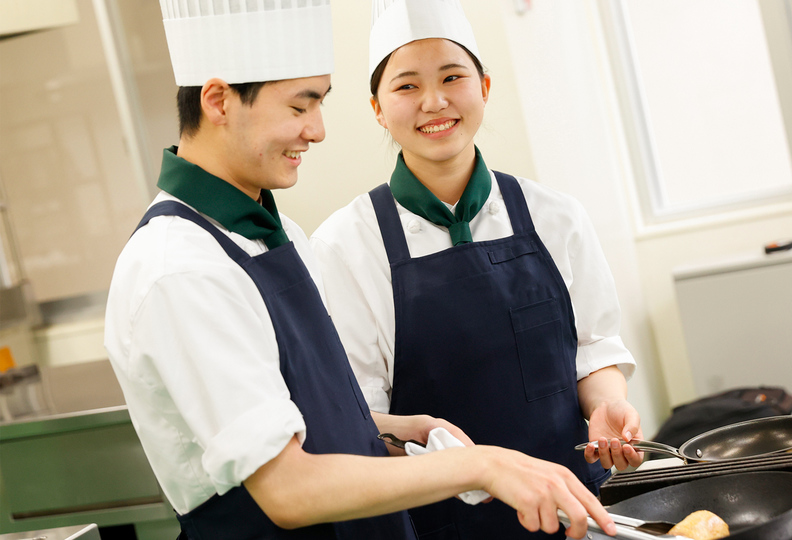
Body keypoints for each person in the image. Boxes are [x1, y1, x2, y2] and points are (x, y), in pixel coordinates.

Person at [104, 1, 618, 539]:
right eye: (301, 107)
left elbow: (293, 417)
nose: (318, 131)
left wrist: (392, 430)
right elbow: (288, 488)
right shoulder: (180, 270)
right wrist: (480, 464)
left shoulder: (274, 238)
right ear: (218, 101)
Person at [310, 0, 645, 537]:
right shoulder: (345, 246)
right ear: (376, 107)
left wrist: (608, 403)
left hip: (576, 513)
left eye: (452, 76)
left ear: (484, 87)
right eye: (406, 86)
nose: (434, 101)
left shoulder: (556, 217)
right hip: (438, 523)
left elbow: (594, 346)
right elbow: (357, 414)